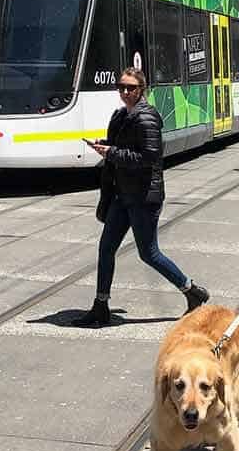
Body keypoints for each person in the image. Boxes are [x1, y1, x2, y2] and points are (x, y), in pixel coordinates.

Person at [81, 68, 209, 327]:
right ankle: (101, 305)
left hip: (143, 197)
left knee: (148, 253)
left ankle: (192, 291)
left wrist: (112, 153)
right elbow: (124, 146)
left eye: (131, 88)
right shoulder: (121, 115)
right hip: (121, 194)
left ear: (142, 90)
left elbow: (149, 157)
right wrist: (104, 144)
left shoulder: (147, 118)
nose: (125, 92)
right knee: (106, 248)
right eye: (121, 87)